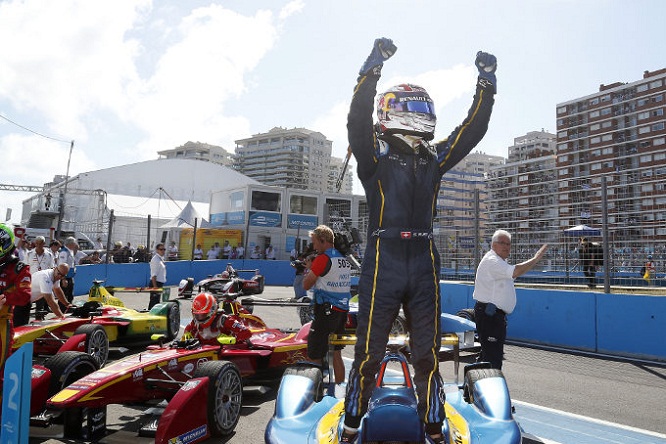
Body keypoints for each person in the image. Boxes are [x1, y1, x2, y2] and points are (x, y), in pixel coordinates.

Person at [342, 38, 498, 444]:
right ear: (391, 112)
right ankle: (352, 422)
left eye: (424, 108)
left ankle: (432, 427)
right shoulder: (372, 155)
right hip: (383, 255)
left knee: (427, 354)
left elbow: (471, 132)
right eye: (412, 107)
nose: (420, 115)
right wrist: (372, 68)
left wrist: (486, 84)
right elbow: (357, 119)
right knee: (368, 353)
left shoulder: (433, 158)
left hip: (425, 258)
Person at [473, 230, 548, 370]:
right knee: (493, 359)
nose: (506, 246)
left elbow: (513, 273)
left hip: (494, 315)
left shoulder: (500, 262)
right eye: (502, 243)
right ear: (493, 245)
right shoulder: (493, 261)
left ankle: (473, 387)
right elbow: (515, 271)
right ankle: (489, 389)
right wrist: (536, 258)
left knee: (488, 356)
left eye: (508, 244)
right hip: (490, 315)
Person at [302, 225, 351, 392]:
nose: (314, 247)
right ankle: (340, 389)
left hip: (326, 311)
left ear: (323, 241)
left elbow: (306, 283)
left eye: (315, 243)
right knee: (336, 352)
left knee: (315, 353)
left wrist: (310, 267)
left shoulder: (323, 259)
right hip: (342, 310)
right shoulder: (343, 258)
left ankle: (315, 392)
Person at [0, 223, 31, 381]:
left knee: (0, 368)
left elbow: (24, 296)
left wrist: (4, 298)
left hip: (2, 323)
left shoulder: (19, 268)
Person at [181, 292, 252, 346]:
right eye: (197, 315)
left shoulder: (224, 320)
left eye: (203, 315)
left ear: (212, 311)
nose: (199, 318)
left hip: (224, 356)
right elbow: (188, 328)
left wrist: (232, 339)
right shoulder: (195, 322)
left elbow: (246, 332)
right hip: (203, 353)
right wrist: (186, 334)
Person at [58, 237, 79, 307]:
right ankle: (62, 309)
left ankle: (69, 307)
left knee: (70, 294)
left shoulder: (70, 251)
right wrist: (63, 278)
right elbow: (61, 266)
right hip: (65, 277)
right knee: (64, 294)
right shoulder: (64, 252)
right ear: (70, 244)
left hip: (70, 276)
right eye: (74, 244)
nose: (75, 245)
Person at [149, 243, 167, 309]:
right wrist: (155, 286)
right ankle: (151, 316)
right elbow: (154, 274)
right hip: (156, 283)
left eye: (164, 249)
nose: (163, 251)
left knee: (156, 302)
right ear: (157, 250)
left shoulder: (160, 259)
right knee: (154, 302)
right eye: (161, 249)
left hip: (159, 283)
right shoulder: (156, 260)